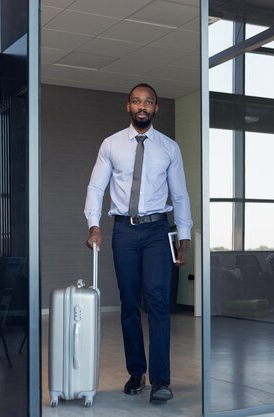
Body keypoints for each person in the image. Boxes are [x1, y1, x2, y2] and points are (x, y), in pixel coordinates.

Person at [84, 83, 192, 403]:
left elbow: (181, 195)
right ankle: (136, 372)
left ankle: (161, 380)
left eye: (148, 102)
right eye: (136, 101)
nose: (142, 106)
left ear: (156, 108)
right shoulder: (111, 144)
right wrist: (93, 226)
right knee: (129, 303)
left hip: (157, 231)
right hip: (124, 233)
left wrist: (183, 238)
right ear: (128, 107)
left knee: (158, 303)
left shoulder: (169, 148)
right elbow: (95, 187)